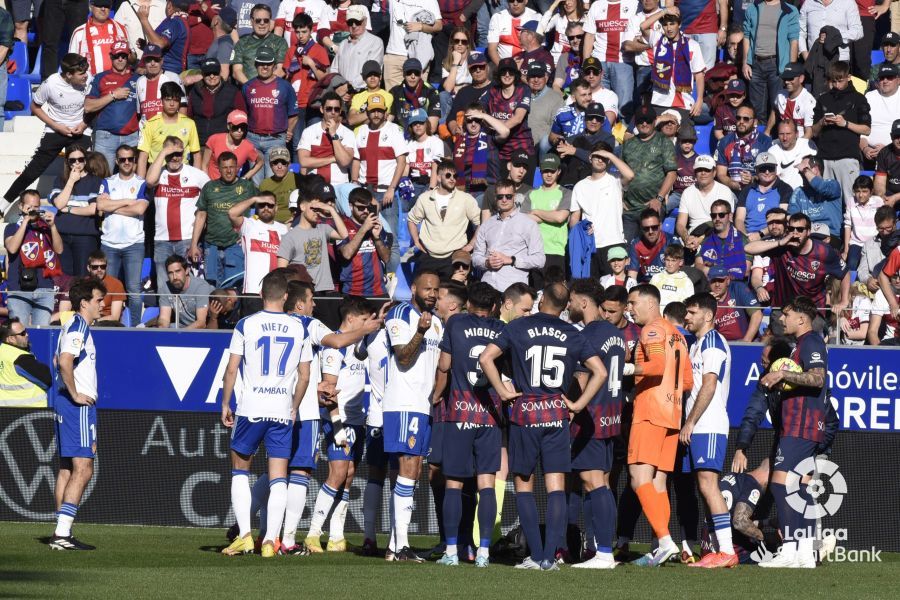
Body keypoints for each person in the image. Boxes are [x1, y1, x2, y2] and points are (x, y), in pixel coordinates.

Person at [479, 283, 604, 571]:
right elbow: (601, 371)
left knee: (524, 485)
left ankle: (534, 556)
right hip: (556, 414)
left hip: (525, 413)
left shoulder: (519, 327)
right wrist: (578, 404)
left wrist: (501, 390)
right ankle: (550, 557)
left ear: (541, 298)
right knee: (556, 486)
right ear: (564, 305)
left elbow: (486, 358)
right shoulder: (573, 333)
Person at [220, 271, 311, 557]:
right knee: (278, 476)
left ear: (261, 295)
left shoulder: (246, 324)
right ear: (286, 297)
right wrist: (294, 405)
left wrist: (226, 403)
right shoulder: (299, 327)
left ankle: (246, 536)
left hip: (252, 408)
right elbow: (305, 375)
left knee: (240, 469)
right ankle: (271, 540)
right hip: (282, 409)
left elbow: (232, 368)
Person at [432, 282, 504, 567]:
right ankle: (483, 553)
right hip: (489, 415)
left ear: (469, 303)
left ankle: (451, 552)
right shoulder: (501, 329)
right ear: (494, 306)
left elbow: (445, 366)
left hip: (460, 413)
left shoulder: (457, 322)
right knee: (486, 483)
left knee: (453, 483)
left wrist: (436, 395)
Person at [756, 296, 829, 568]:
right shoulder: (800, 344)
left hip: (802, 424)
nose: (781, 319)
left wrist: (783, 375)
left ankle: (788, 549)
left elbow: (818, 378)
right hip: (802, 424)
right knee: (801, 487)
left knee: (779, 483)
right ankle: (805, 553)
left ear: (801, 318)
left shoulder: (810, 341)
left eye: (786, 314)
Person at [624, 284, 693, 567]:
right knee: (658, 482)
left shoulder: (651, 329)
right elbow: (687, 381)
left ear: (651, 304)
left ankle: (664, 541)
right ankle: (662, 545)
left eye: (632, 303)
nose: (629, 309)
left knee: (638, 478)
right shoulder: (679, 335)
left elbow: (656, 366)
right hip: (672, 415)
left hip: (650, 410)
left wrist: (626, 368)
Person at [379, 270, 443, 562]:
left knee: (412, 471)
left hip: (423, 404)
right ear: (414, 288)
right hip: (403, 402)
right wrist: (420, 330)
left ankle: (395, 546)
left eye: (436, 290)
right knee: (407, 468)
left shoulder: (438, 323)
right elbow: (402, 358)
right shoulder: (400, 314)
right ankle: (402, 547)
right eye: (427, 288)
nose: (432, 293)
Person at [304, 296, 376, 552]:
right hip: (339, 420)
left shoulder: (359, 344)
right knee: (337, 474)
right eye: (366, 320)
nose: (369, 325)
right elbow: (328, 390)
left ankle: (336, 537)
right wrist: (336, 426)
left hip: (356, 420)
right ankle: (313, 533)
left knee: (348, 476)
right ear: (352, 319)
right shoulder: (335, 347)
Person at [565, 279, 627, 569]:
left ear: (584, 302)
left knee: (593, 483)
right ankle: (602, 548)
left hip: (591, 418)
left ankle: (603, 552)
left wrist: (572, 406)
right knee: (601, 482)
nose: (569, 305)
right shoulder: (615, 333)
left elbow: (581, 378)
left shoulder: (587, 335)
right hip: (611, 416)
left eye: (572, 300)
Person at [679, 292, 737, 568]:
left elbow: (710, 385)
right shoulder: (697, 343)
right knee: (703, 486)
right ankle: (715, 548)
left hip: (709, 423)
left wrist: (689, 422)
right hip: (700, 424)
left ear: (708, 315)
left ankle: (727, 550)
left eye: (691, 312)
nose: (686, 317)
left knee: (708, 485)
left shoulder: (712, 342)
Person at [48, 278, 106, 551]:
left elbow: (59, 359)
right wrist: (74, 394)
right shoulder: (79, 325)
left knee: (66, 469)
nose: (102, 305)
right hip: (77, 406)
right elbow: (64, 361)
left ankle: (61, 532)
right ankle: (62, 533)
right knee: (83, 468)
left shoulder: (71, 325)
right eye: (98, 300)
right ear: (84, 303)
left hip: (65, 404)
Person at [1, 54, 90, 213]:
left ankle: (81, 206)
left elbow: (94, 107)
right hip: (55, 130)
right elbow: (35, 107)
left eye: (86, 72)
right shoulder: (51, 84)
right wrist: (57, 126)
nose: (86, 76)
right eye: (81, 74)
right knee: (33, 171)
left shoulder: (89, 81)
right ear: (69, 74)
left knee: (83, 168)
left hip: (81, 129)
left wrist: (83, 125)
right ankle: (4, 204)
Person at [745, 211, 850, 318]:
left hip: (812, 310)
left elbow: (845, 273)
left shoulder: (824, 251)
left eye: (800, 230)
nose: (795, 233)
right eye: (791, 229)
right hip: (783, 309)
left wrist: (844, 300)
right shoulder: (782, 247)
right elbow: (747, 248)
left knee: (811, 331)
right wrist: (779, 243)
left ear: (808, 232)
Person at [146, 137, 211, 291]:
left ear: (184, 153)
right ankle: (165, 315)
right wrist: (164, 152)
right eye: (171, 154)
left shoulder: (196, 175)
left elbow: (212, 198)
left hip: (188, 239)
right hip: (162, 240)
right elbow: (149, 181)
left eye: (179, 153)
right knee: (163, 286)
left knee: (190, 285)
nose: (175, 157)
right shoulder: (158, 173)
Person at [96, 144, 148, 326]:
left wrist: (114, 206)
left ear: (135, 161)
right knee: (105, 288)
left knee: (133, 289)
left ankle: (135, 326)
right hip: (109, 244)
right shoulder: (107, 182)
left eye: (130, 159)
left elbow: (140, 208)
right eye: (122, 159)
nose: (126, 162)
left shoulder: (141, 183)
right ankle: (106, 324)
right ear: (117, 161)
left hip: (134, 244)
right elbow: (101, 206)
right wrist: (128, 202)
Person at [569, 142, 634, 277]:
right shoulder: (579, 186)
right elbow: (574, 217)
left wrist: (610, 155)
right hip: (589, 246)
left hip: (613, 242)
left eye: (604, 157)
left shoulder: (615, 180)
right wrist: (581, 230)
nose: (600, 159)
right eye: (597, 156)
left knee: (614, 291)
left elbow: (630, 175)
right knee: (591, 291)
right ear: (590, 158)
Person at [408, 159, 481, 278]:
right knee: (425, 293)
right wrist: (416, 241)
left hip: (454, 255)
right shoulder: (424, 198)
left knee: (450, 294)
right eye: (448, 175)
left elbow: (481, 223)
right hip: (428, 255)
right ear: (438, 177)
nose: (452, 178)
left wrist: (472, 244)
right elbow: (411, 220)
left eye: (455, 176)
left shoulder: (465, 199)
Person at [811, 61, 871, 204]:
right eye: (834, 81)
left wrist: (845, 123)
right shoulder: (823, 98)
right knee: (826, 202)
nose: (837, 84)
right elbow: (813, 131)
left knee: (851, 201)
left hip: (847, 158)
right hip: (825, 158)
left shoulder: (859, 99)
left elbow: (866, 129)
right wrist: (822, 122)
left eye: (840, 80)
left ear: (848, 77)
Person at [472, 179, 545, 292]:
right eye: (500, 197)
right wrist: (486, 262)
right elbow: (476, 256)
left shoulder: (528, 224)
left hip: (513, 290)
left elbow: (540, 260)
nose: (504, 200)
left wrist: (512, 260)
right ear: (495, 197)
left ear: (514, 197)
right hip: (487, 287)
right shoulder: (487, 225)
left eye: (508, 196)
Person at [3, 191, 64, 327]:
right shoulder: (12, 227)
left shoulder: (45, 227)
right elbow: (12, 248)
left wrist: (52, 226)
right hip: (19, 288)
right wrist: (25, 222)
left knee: (41, 332)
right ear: (21, 206)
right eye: (29, 207)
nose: (33, 210)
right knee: (20, 331)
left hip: (44, 288)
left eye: (36, 207)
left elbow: (59, 250)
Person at [352, 92, 408, 237]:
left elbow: (401, 161)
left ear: (385, 112)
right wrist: (354, 182)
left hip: (386, 193)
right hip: (365, 192)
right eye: (372, 111)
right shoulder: (361, 131)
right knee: (366, 236)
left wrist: (391, 188)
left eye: (379, 111)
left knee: (391, 238)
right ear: (367, 113)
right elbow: (356, 160)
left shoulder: (394, 130)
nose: (376, 114)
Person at [277, 181, 348, 293]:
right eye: (314, 208)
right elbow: (281, 270)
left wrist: (331, 210)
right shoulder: (289, 236)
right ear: (302, 206)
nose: (317, 212)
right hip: (304, 292)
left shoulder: (323, 228)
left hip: (327, 289)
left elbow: (344, 234)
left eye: (319, 209)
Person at [242, 47, 299, 182]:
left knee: (272, 180)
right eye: (261, 63)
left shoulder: (285, 86)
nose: (265, 67)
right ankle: (257, 204)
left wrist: (289, 131)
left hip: (276, 139)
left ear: (274, 65)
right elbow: (243, 114)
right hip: (253, 139)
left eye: (268, 64)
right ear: (256, 65)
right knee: (256, 181)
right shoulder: (247, 87)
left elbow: (294, 113)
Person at [621, 105, 677, 241]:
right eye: (640, 121)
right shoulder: (628, 144)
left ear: (654, 122)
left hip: (652, 207)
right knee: (626, 248)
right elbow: (621, 174)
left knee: (651, 246)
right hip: (630, 208)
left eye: (648, 120)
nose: (644, 123)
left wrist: (659, 199)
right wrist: (620, 198)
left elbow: (672, 173)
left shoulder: (664, 142)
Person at [227, 191, 288, 313]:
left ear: (276, 208)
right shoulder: (249, 224)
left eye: (270, 205)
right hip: (253, 291)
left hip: (278, 292)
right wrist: (254, 198)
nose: (266, 208)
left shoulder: (285, 229)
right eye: (261, 204)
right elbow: (232, 213)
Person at [84, 41, 141, 173]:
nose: (120, 59)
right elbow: (88, 107)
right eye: (116, 56)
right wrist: (113, 95)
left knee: (131, 181)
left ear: (128, 57)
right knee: (101, 177)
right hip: (105, 136)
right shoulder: (100, 78)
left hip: (131, 137)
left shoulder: (138, 79)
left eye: (123, 56)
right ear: (111, 57)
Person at [643, 8, 707, 120]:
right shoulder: (658, 39)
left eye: (672, 24)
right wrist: (664, 11)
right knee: (660, 136)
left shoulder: (692, 45)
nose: (669, 28)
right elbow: (643, 26)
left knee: (686, 136)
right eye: (665, 25)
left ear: (680, 24)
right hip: (659, 102)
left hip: (684, 103)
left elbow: (699, 74)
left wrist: (700, 99)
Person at [741, 0, 800, 120]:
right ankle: (758, 138)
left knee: (778, 107)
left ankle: (776, 138)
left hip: (778, 65)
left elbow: (793, 40)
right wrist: (745, 62)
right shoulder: (752, 8)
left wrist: (791, 68)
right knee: (756, 110)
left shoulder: (790, 10)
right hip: (755, 64)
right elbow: (746, 36)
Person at [50, 145, 102, 277]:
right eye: (72, 160)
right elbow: (59, 204)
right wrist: (71, 181)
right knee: (64, 278)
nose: (77, 163)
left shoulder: (95, 181)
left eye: (80, 159)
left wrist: (69, 208)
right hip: (62, 235)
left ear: (85, 160)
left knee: (82, 277)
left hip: (85, 237)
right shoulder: (60, 180)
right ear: (67, 162)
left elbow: (92, 209)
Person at [583, 0, 639, 121]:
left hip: (623, 62)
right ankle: (601, 137)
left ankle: (622, 138)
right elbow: (589, 36)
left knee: (624, 107)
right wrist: (585, 64)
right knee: (597, 105)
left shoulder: (633, 4)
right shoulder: (597, 5)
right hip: (599, 62)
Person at [522, 154, 572, 287]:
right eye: (545, 171)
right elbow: (524, 219)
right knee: (536, 294)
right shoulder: (531, 194)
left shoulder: (566, 193)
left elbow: (560, 217)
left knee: (555, 293)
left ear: (559, 171)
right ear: (540, 171)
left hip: (556, 251)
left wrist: (536, 211)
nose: (549, 174)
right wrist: (552, 215)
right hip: (534, 251)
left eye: (552, 171)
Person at [335, 187, 393, 296]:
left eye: (368, 207)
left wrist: (377, 238)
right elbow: (346, 254)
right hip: (353, 292)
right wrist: (364, 229)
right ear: (351, 206)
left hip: (378, 290)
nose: (365, 211)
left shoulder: (377, 225)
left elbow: (386, 258)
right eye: (361, 208)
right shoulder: (343, 226)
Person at [137, 81, 202, 177]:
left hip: (183, 176)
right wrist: (141, 185)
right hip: (158, 176)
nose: (172, 104)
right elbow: (143, 158)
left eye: (175, 100)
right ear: (161, 100)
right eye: (168, 100)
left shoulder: (189, 124)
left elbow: (196, 155)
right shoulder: (149, 125)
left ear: (180, 101)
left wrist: (196, 180)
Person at [451, 104, 509, 200]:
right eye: (470, 120)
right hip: (462, 191)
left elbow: (505, 131)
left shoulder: (489, 136)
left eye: (477, 120)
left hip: (487, 190)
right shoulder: (460, 139)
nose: (473, 124)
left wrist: (484, 116)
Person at [297, 91, 356, 186]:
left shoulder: (348, 134)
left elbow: (344, 162)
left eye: (336, 109)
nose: (333, 112)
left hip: (339, 185)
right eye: (329, 109)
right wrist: (333, 159)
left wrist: (333, 135)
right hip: (314, 185)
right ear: (321, 109)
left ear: (340, 111)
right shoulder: (309, 131)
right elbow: (303, 161)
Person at [188, 57, 248, 147]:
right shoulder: (194, 91)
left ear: (220, 73)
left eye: (215, 73)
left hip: (223, 144)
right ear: (202, 75)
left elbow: (243, 117)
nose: (212, 76)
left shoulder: (232, 91)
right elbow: (189, 117)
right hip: (198, 143)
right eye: (208, 74)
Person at [677, 154, 735, 247]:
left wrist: (701, 239)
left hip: (716, 235)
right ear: (695, 172)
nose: (703, 173)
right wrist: (686, 237)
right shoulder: (687, 192)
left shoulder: (725, 191)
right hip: (692, 236)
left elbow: (727, 222)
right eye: (699, 170)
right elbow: (680, 224)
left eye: (707, 170)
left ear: (714, 172)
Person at [715, 104, 773, 194]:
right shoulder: (725, 142)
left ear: (755, 122)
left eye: (746, 119)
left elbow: (770, 173)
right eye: (738, 118)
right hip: (732, 190)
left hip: (759, 189)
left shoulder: (765, 142)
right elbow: (721, 174)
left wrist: (753, 179)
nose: (741, 122)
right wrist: (732, 184)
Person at [735, 152, 792, 240]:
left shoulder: (784, 189)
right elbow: (739, 219)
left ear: (776, 169)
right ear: (756, 170)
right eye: (763, 169)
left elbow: (781, 218)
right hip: (748, 236)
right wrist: (744, 238)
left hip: (773, 236)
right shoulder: (747, 190)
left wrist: (759, 235)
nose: (767, 172)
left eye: (770, 168)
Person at [788, 155, 844, 241]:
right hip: (806, 236)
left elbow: (821, 187)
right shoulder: (798, 192)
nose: (802, 174)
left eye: (804, 171)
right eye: (801, 172)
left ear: (816, 169)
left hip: (831, 235)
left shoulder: (833, 184)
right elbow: (792, 217)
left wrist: (805, 170)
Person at [68, 0, 130, 77]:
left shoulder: (121, 29)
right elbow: (71, 63)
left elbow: (130, 59)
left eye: (106, 6)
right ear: (91, 6)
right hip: (90, 84)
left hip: (118, 81)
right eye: (99, 5)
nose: (103, 9)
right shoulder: (79, 32)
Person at [328, 5, 384, 90]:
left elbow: (372, 71)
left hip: (364, 92)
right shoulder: (343, 44)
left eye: (357, 22)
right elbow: (334, 69)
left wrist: (348, 87)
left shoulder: (375, 42)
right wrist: (339, 86)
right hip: (342, 93)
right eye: (350, 22)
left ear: (365, 21)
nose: (354, 26)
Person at [0, 318, 52, 408]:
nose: (27, 334)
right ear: (11, 339)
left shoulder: (2, 351)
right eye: (22, 334)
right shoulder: (20, 358)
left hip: (4, 412)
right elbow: (46, 380)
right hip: (28, 412)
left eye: (26, 331)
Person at [231, 3, 288, 85]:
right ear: (251, 21)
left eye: (266, 20)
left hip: (272, 91)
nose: (262, 23)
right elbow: (236, 72)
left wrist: (264, 87)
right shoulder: (241, 43)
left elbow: (281, 70)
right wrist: (252, 88)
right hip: (248, 90)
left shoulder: (280, 42)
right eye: (258, 20)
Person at [202, 110, 263, 181]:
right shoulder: (214, 139)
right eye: (236, 127)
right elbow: (204, 165)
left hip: (232, 187)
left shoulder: (247, 146)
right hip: (212, 184)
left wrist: (245, 178)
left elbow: (260, 162)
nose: (239, 130)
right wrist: (207, 183)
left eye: (243, 127)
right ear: (228, 126)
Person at [696, 199, 749, 279]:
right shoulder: (705, 239)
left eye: (721, 215)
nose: (717, 219)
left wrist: (715, 269)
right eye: (714, 215)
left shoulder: (742, 240)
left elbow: (746, 271)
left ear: (730, 216)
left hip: (735, 285)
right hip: (710, 284)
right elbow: (698, 265)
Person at [157, 254, 213, 328]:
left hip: (203, 329)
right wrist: (162, 331)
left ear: (187, 271)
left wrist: (181, 335)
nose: (174, 277)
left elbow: (201, 323)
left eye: (178, 271)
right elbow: (164, 319)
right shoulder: (166, 288)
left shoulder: (201, 287)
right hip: (181, 326)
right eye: (170, 273)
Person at [708, 266, 763, 341]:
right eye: (713, 281)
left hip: (746, 340)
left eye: (720, 280)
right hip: (720, 344)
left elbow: (757, 314)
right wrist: (710, 305)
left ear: (727, 280)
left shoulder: (738, 288)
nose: (717, 284)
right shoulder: (705, 299)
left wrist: (745, 341)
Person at [134, 43, 184, 125]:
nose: (152, 63)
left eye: (156, 60)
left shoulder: (173, 77)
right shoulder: (139, 81)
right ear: (144, 62)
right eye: (149, 60)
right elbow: (139, 112)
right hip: (146, 133)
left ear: (162, 61)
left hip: (168, 132)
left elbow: (183, 107)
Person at [861, 64, 900, 169]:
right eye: (882, 78)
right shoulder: (869, 97)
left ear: (898, 80)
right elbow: (861, 133)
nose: (885, 81)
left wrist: (888, 149)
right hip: (870, 154)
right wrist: (865, 149)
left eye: (890, 77)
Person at [137, 0, 190, 74]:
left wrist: (143, 19)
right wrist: (147, 46)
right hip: (164, 71)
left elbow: (159, 44)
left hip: (166, 73)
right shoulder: (180, 20)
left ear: (169, 5)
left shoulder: (175, 22)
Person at [843, 175, 884, 271]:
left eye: (864, 191)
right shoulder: (851, 202)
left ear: (871, 192)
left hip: (874, 242)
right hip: (856, 242)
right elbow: (848, 225)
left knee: (875, 267)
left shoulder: (878, 202)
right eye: (858, 191)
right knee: (851, 265)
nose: (860, 195)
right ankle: (852, 285)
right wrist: (846, 250)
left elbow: (882, 222)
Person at [389, 58, 441, 131]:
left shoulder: (431, 92)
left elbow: (432, 128)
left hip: (423, 135)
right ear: (403, 74)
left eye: (416, 73)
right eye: (409, 72)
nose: (413, 76)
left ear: (421, 74)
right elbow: (388, 122)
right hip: (400, 135)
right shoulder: (395, 92)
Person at [766, 62, 815, 139]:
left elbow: (809, 133)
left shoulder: (809, 102)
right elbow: (774, 110)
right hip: (783, 141)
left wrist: (796, 149)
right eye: (785, 78)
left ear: (801, 78)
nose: (786, 82)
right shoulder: (780, 95)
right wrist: (767, 131)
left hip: (801, 143)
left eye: (790, 78)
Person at [404, 109, 444, 200]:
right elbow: (406, 168)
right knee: (403, 203)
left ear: (426, 124)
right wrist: (404, 182)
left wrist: (431, 188)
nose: (418, 125)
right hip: (414, 183)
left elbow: (435, 167)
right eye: (414, 123)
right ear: (411, 126)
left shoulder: (436, 142)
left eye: (421, 122)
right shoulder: (408, 144)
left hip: (431, 182)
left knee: (426, 203)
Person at [767, 119, 818, 189]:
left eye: (788, 134)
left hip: (805, 192)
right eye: (781, 134)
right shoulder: (772, 151)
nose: (785, 138)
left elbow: (817, 174)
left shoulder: (807, 146)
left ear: (796, 134)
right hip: (782, 193)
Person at [487, 0, 539, 64]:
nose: (515, 4)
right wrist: (503, 68)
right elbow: (492, 49)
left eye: (519, 0)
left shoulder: (536, 17)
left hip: (528, 66)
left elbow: (539, 49)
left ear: (526, 1)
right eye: (511, 0)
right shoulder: (497, 17)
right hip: (504, 66)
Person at [858, 206, 897, 293]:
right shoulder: (868, 244)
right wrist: (868, 280)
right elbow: (862, 270)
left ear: (894, 224)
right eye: (881, 228)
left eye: (888, 228)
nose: (885, 232)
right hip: (877, 288)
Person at [260, 147, 302, 224]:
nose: (279, 166)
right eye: (275, 163)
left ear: (289, 164)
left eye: (283, 162)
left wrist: (295, 219)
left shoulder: (298, 179)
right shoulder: (264, 184)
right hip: (271, 223)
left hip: (294, 222)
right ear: (270, 165)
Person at [628, 208, 669, 283]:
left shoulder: (671, 241)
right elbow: (632, 276)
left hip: (666, 284)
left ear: (660, 225)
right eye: (646, 228)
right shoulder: (636, 244)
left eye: (654, 227)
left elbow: (677, 273)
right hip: (645, 287)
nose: (650, 232)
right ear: (641, 229)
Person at [650, 244, 696, 310]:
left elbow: (688, 305)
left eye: (673, 260)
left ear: (680, 262)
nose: (670, 264)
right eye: (667, 260)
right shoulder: (656, 278)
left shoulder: (687, 282)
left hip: (675, 316)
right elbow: (649, 299)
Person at [84, 250, 125, 323]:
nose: (99, 270)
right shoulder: (83, 283)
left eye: (103, 266)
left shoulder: (116, 284)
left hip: (108, 323)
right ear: (88, 268)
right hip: (86, 321)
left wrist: (94, 322)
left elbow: (115, 316)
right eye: (95, 267)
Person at [869, 268, 900, 344]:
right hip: (891, 342)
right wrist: (879, 354)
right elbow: (872, 331)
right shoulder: (881, 294)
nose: (897, 281)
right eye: (894, 276)